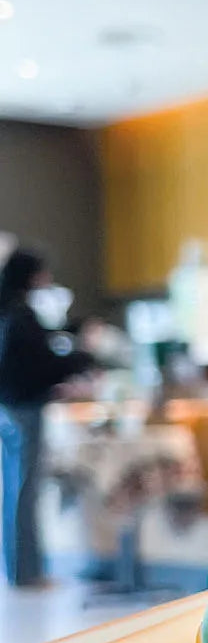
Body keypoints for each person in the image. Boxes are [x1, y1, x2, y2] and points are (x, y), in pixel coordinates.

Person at [0, 247, 94, 587]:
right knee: (25, 492)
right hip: (25, 411)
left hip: (9, 409)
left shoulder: (8, 313)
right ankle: (27, 573)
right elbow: (41, 365)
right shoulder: (22, 316)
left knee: (15, 491)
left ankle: (20, 570)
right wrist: (82, 357)